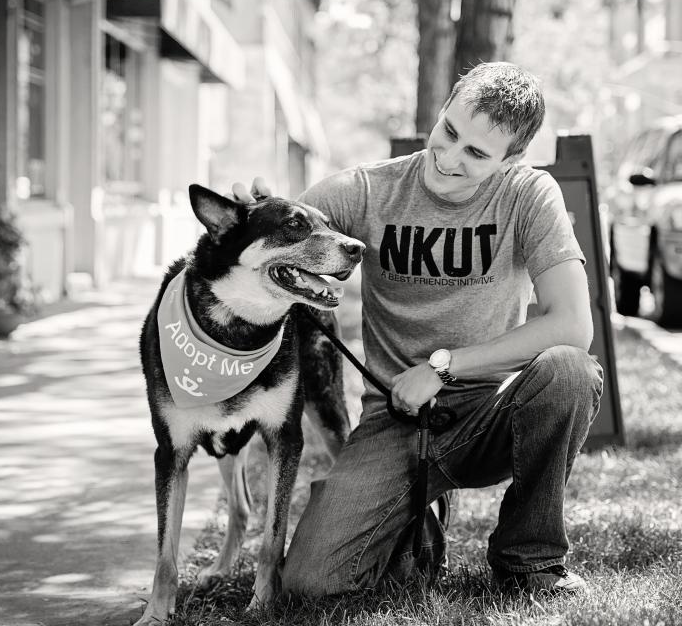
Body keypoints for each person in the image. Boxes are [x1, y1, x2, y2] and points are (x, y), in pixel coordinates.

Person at [231, 61, 603, 596]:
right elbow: (285, 237)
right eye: (449, 131)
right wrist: (256, 214)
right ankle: (411, 514)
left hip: (492, 412)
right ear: (442, 110)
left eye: (476, 153)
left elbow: (573, 324)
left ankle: (530, 560)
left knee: (569, 369)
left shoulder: (528, 195)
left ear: (512, 158)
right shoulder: (366, 190)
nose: (449, 159)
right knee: (310, 585)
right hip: (396, 419)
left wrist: (443, 367)